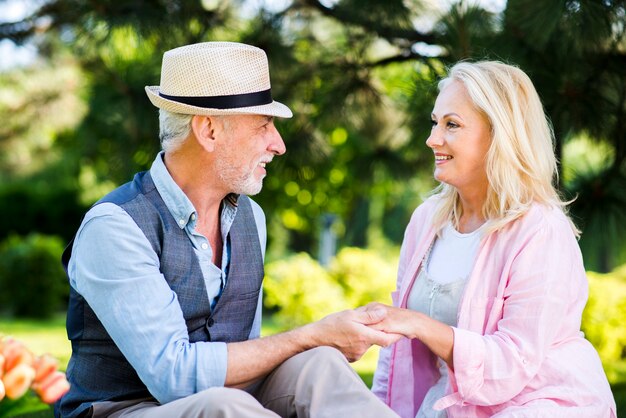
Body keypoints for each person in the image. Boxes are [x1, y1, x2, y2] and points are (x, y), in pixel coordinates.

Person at [56, 42, 400, 418]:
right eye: (264, 125)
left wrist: (318, 346)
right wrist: (309, 334)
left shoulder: (251, 219)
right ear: (208, 130)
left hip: (226, 398)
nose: (279, 145)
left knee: (320, 366)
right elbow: (174, 377)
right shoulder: (115, 227)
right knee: (224, 407)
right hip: (122, 408)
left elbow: (244, 358)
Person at [366, 61, 617, 417]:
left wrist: (419, 324)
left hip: (543, 403)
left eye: (451, 124)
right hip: (454, 405)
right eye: (434, 122)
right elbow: (396, 352)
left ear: (498, 134)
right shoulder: (426, 221)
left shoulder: (540, 229)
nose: (432, 139)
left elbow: (511, 362)